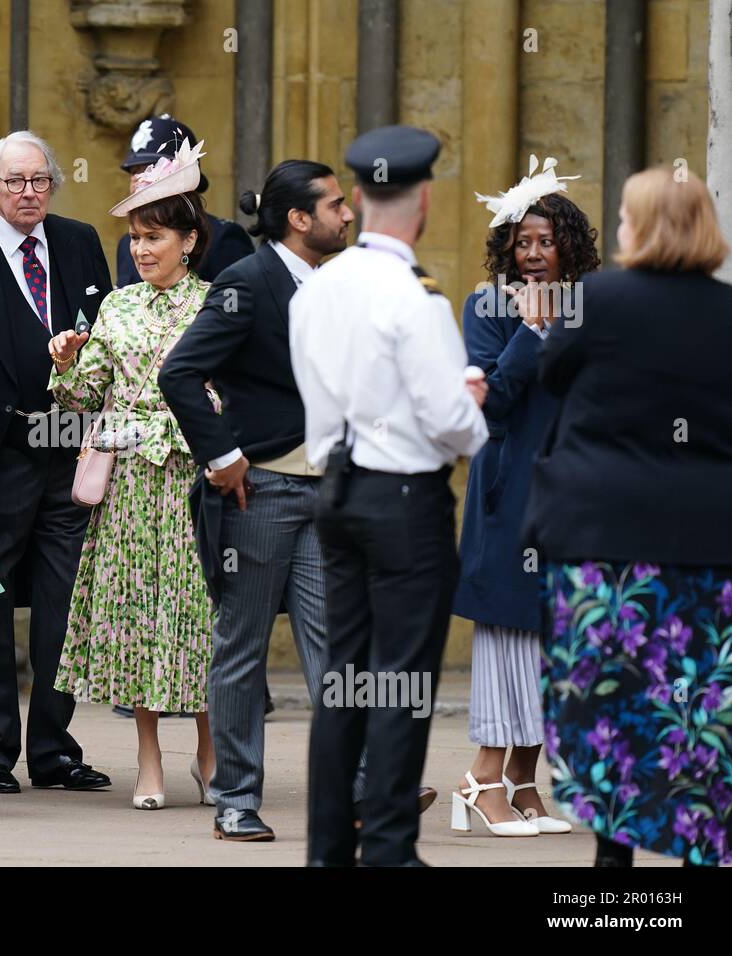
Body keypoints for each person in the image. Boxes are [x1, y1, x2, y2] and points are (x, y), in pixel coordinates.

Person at [291, 125, 489, 866]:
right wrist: (473, 405)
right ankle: (391, 850)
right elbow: (450, 426)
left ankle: (326, 848)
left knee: (344, 678)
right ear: (424, 199)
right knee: (402, 679)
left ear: (364, 199)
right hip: (403, 500)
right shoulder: (416, 298)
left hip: (335, 489)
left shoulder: (321, 287)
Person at [525, 167, 732, 868]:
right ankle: (703, 847)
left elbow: (552, 374)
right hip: (709, 542)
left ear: (641, 227)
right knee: (698, 706)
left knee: (605, 703)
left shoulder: (596, 298)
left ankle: (613, 870)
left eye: (622, 217)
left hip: (600, 539)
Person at [160, 158, 361, 840]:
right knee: (241, 648)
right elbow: (180, 374)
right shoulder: (245, 282)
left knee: (336, 644)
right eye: (334, 204)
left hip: (329, 493)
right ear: (298, 218)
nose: (348, 213)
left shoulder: (338, 285)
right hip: (261, 495)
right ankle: (236, 800)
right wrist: (223, 458)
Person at [48, 138, 214, 812]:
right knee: (131, 617)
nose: (143, 249)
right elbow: (85, 395)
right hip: (126, 492)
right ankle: (147, 757)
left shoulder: (217, 304)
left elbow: (232, 395)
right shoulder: (115, 307)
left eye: (156, 236)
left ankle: (211, 747)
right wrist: (65, 360)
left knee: (198, 616)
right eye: (137, 238)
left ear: (190, 240)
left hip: (191, 484)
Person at [0, 131, 113, 795]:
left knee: (65, 602)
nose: (28, 193)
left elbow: (106, 332)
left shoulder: (77, 241)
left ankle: (55, 750)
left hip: (68, 455)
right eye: (15, 181)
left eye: (40, 180)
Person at [451, 159, 600, 838]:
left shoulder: (593, 308)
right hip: (511, 490)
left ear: (570, 245)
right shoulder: (487, 308)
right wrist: (530, 332)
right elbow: (494, 406)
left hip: (576, 492)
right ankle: (481, 779)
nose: (534, 255)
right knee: (511, 631)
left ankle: (522, 778)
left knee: (555, 634)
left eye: (546, 242)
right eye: (522, 244)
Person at [114, 114, 252, 287]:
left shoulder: (223, 237)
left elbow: (237, 306)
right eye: (134, 171)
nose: (140, 179)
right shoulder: (126, 244)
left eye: (151, 169)